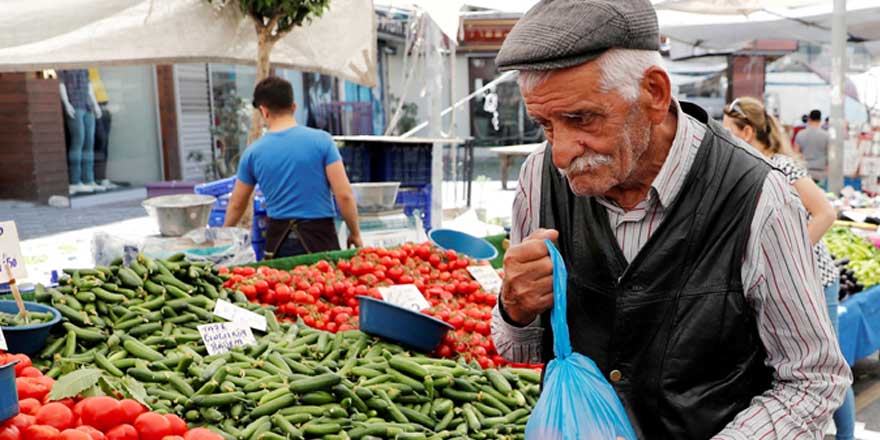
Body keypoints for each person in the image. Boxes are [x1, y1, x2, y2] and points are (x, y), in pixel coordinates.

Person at [491, 0, 851, 438]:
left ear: (655, 94)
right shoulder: (538, 178)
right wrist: (514, 306)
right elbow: (521, 350)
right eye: (545, 124)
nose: (562, 151)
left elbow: (813, 379)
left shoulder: (757, 195)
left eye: (581, 118)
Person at [723, 96, 855, 440]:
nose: (722, 139)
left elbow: (826, 213)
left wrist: (786, 255)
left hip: (815, 278)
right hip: (778, 280)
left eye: (729, 131)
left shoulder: (779, 166)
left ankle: (846, 436)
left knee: (824, 365)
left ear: (747, 132)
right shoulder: (738, 170)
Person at [223, 76, 362, 258]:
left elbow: (237, 204)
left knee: (285, 286)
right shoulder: (323, 141)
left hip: (279, 244)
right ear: (294, 107)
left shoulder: (252, 153)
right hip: (320, 240)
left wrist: (223, 236)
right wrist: (355, 232)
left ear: (263, 111)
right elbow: (344, 196)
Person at [59, 69, 103, 195]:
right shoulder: (64, 67)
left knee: (89, 143)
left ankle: (89, 179)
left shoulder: (84, 67)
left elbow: (89, 87)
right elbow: (61, 84)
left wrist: (95, 104)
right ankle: (75, 181)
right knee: (78, 140)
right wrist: (67, 104)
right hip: (75, 105)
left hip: (87, 105)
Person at [795, 109, 831, 183]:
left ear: (809, 119)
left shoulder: (800, 134)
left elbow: (796, 153)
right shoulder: (826, 135)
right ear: (820, 120)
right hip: (820, 171)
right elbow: (830, 153)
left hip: (804, 171)